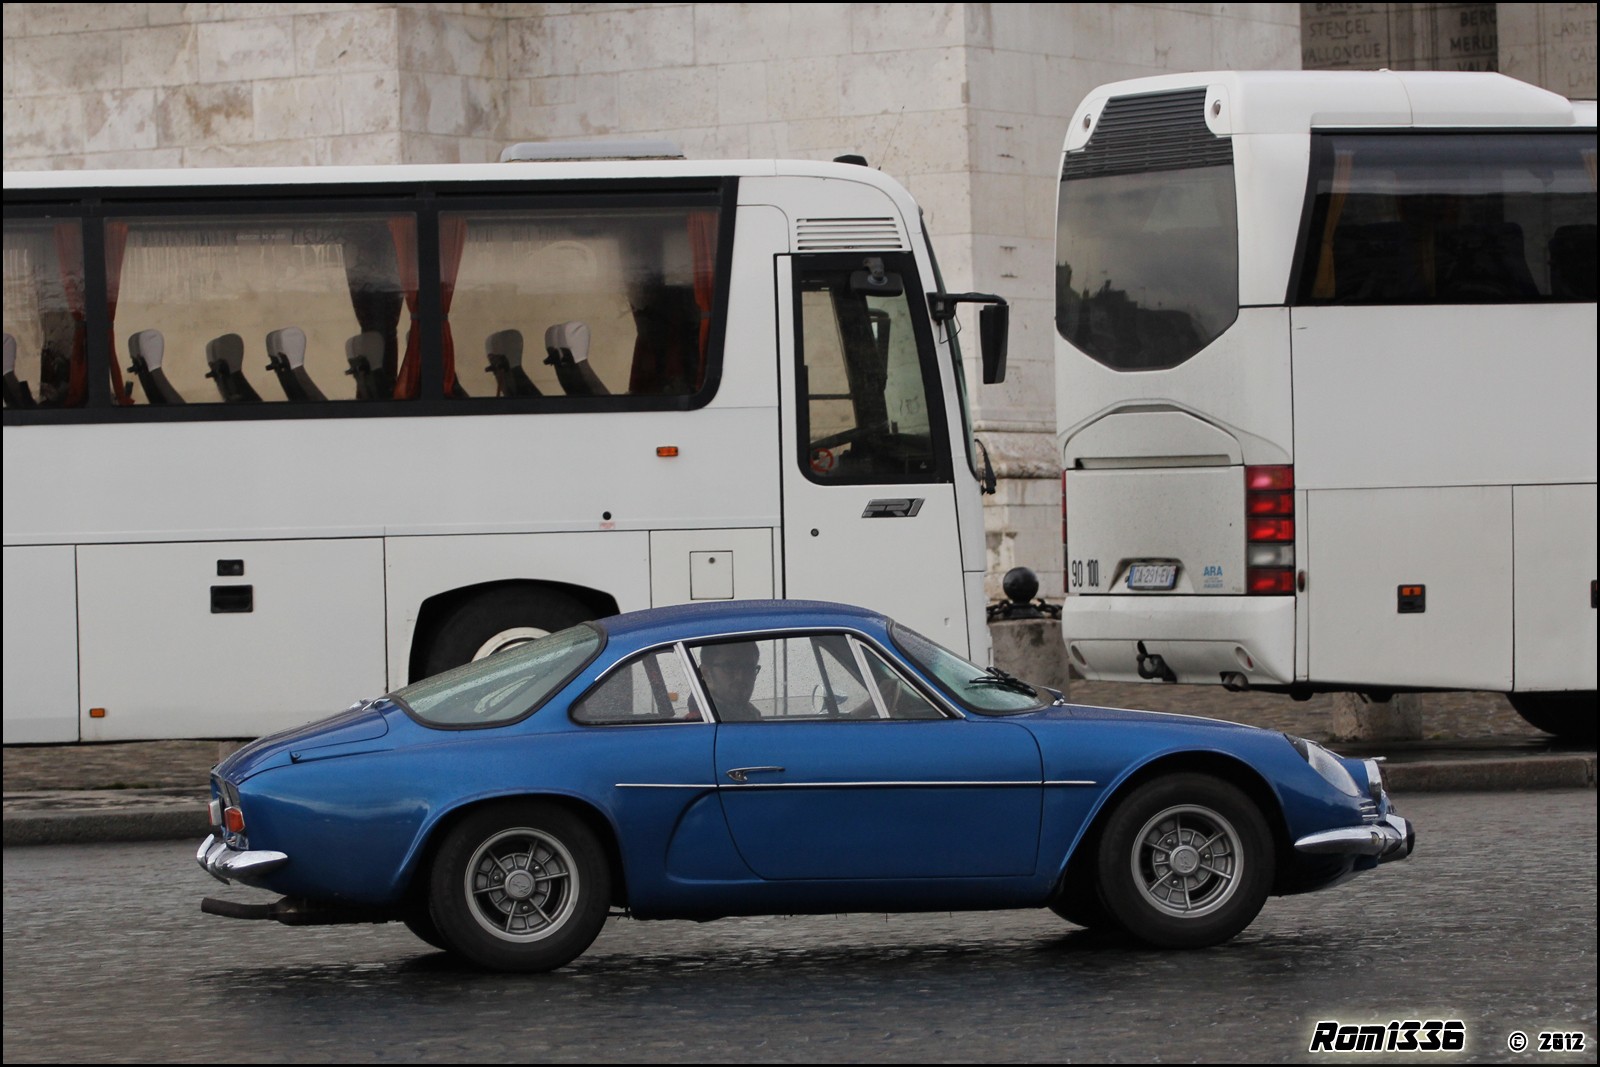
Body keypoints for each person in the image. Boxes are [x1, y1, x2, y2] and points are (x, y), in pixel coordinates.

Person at [697, 641, 764, 721]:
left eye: (748, 668)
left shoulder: (752, 714)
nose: (740, 677)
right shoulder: (698, 720)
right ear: (706, 674)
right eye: (729, 667)